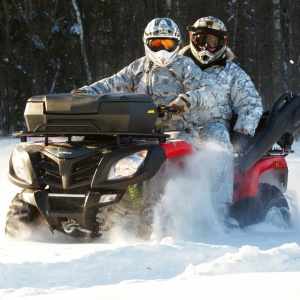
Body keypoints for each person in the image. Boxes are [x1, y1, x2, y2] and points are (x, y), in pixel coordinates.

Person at [173, 16, 263, 227]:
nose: (206, 46)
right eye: (201, 39)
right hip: (178, 124)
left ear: (222, 43)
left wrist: (243, 131)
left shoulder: (231, 72)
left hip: (214, 124)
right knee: (166, 150)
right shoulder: (176, 66)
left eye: (212, 41)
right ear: (191, 38)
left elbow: (251, 103)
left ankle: (221, 209)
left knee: (218, 147)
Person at [71, 17, 209, 148]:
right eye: (156, 44)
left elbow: (206, 91)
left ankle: (188, 174)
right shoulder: (138, 67)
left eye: (167, 44)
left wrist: (188, 99)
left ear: (176, 43)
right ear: (147, 42)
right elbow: (113, 82)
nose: (162, 49)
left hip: (180, 131)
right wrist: (88, 92)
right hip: (143, 131)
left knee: (181, 156)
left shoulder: (186, 66)